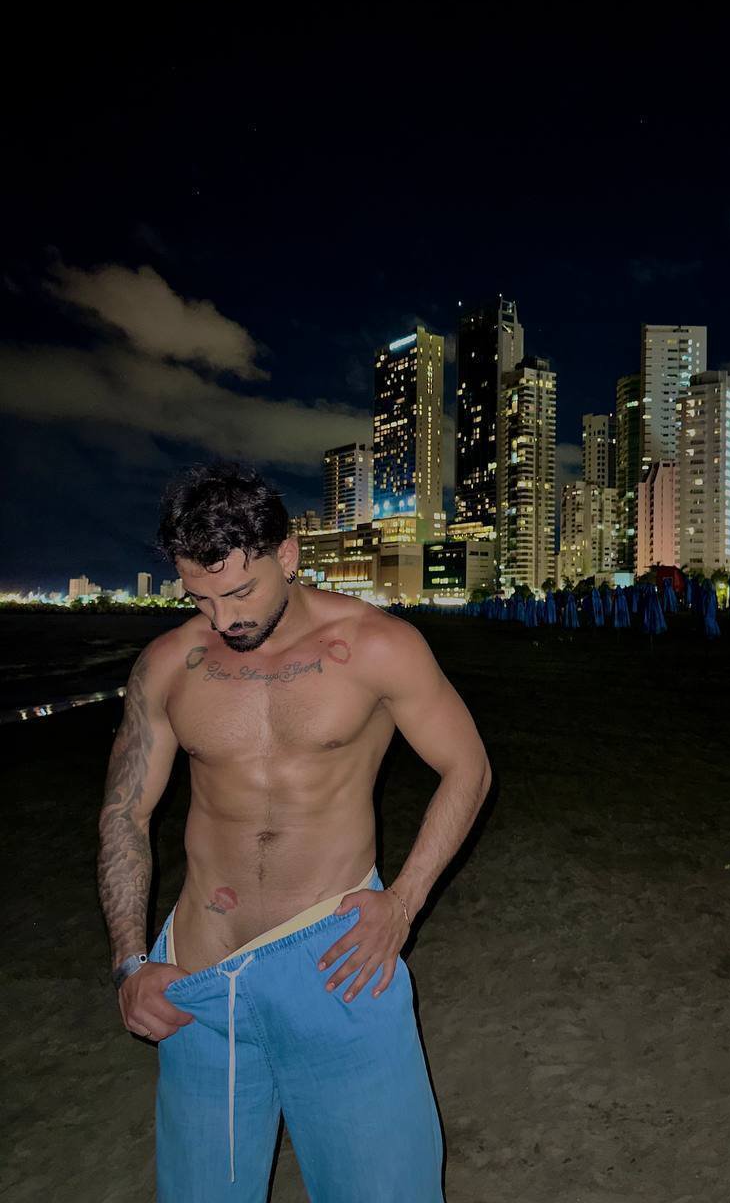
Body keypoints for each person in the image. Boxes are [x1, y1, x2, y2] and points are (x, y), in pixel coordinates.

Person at [97, 463, 492, 1202]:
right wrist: (129, 964)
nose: (223, 620)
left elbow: (467, 768)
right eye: (201, 598)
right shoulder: (169, 664)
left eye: (240, 592)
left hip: (337, 961)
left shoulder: (378, 646)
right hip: (199, 975)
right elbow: (125, 812)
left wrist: (403, 903)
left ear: (287, 555)